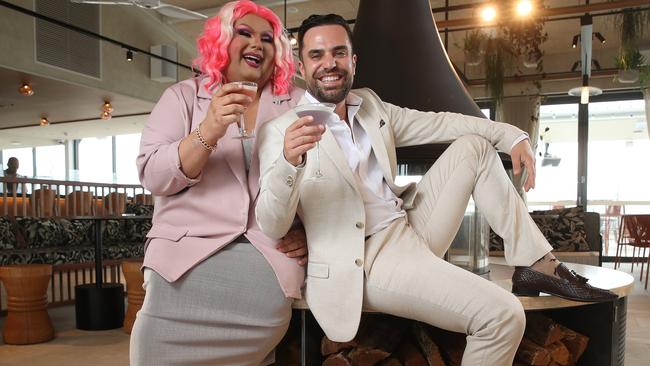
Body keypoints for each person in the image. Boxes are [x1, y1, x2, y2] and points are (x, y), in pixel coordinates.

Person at [255, 13, 617, 365]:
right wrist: (290, 161)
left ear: (353, 60)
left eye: (338, 53)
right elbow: (271, 223)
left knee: (474, 146)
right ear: (301, 67)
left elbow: (442, 122)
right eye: (316, 55)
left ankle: (536, 263)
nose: (328, 63)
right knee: (503, 315)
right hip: (366, 259)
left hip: (411, 226)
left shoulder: (370, 106)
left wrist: (513, 136)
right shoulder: (281, 131)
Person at [131, 1, 307, 365]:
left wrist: (311, 234)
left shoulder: (299, 102)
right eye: (245, 33)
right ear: (222, 41)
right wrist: (209, 129)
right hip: (182, 266)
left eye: (268, 38)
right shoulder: (181, 97)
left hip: (266, 267)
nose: (257, 44)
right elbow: (153, 175)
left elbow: (327, 181)